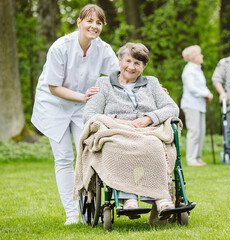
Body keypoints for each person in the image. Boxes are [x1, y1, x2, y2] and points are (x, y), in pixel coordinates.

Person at [31, 4, 119, 225]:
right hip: (54, 105)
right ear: (79, 23)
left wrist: (148, 86)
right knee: (64, 157)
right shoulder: (60, 47)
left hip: (83, 105)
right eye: (89, 21)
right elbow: (53, 87)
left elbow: (120, 76)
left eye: (99, 22)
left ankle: (88, 206)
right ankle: (72, 214)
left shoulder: (103, 49)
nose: (94, 26)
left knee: (88, 153)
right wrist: (82, 97)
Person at [81, 42, 179, 220]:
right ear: (119, 61)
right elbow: (89, 114)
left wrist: (148, 118)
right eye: (128, 61)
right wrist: (117, 123)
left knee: (155, 145)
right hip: (116, 132)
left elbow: (172, 108)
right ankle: (128, 198)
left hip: (147, 132)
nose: (131, 67)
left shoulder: (152, 83)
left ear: (144, 67)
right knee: (114, 146)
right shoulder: (103, 84)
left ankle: (159, 197)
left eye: (137, 63)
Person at [180, 45, 213, 167]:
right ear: (193, 57)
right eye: (200, 54)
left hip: (200, 104)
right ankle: (191, 158)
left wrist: (206, 93)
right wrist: (206, 93)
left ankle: (198, 157)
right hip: (191, 104)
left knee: (201, 131)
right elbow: (192, 88)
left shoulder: (198, 69)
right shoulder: (189, 70)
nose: (202, 56)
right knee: (194, 131)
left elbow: (201, 86)